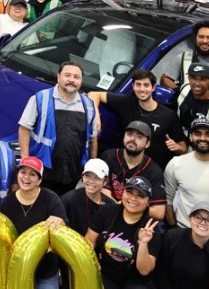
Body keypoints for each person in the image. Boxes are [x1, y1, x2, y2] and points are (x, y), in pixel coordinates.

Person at [86, 176, 161, 289]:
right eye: (130, 192)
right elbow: (88, 242)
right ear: (123, 193)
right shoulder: (107, 212)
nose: (133, 199)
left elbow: (145, 270)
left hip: (136, 279)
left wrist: (143, 243)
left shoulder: (151, 226)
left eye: (140, 196)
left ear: (147, 202)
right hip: (108, 274)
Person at [0, 156, 68, 289]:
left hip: (45, 270)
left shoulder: (51, 199)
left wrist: (59, 222)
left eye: (32, 174)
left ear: (39, 180)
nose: (26, 177)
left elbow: (64, 226)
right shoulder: (8, 202)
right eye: (23, 172)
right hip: (18, 270)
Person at [17, 61, 99, 195]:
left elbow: (93, 138)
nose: (71, 80)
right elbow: (24, 128)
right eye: (67, 75)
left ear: (81, 80)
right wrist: (25, 161)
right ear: (58, 77)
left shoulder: (88, 105)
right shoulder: (40, 98)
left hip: (73, 173)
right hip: (43, 171)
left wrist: (92, 165)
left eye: (76, 77)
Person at [88, 69, 185, 168]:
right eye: (138, 85)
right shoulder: (126, 103)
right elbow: (93, 94)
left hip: (153, 169)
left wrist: (177, 147)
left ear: (153, 87)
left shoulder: (168, 116)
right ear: (133, 86)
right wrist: (95, 116)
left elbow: (184, 148)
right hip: (126, 165)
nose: (142, 89)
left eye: (146, 85)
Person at [101, 121, 167, 220]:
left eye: (139, 136)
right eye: (129, 134)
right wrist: (118, 206)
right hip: (107, 212)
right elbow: (102, 189)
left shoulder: (154, 171)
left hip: (135, 220)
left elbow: (159, 212)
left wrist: (128, 206)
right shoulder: (109, 156)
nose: (132, 139)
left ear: (147, 144)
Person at [61, 157, 111, 235]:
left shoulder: (109, 205)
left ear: (105, 181)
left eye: (97, 178)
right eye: (87, 176)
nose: (91, 181)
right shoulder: (68, 199)